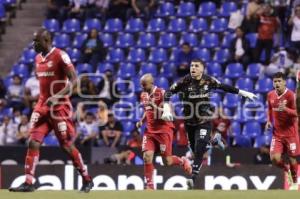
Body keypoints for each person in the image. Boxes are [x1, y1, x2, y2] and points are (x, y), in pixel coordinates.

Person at [8, 28, 93, 192]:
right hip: (42, 106)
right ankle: (29, 181)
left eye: (36, 41)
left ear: (46, 41)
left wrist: (57, 96)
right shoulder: (37, 58)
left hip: (59, 107)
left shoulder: (61, 55)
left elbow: (75, 81)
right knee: (33, 142)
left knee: (66, 146)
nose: (33, 44)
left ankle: (87, 179)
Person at [161, 59, 257, 189]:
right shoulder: (184, 81)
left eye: (196, 66)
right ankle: (214, 141)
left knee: (200, 149)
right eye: (191, 65)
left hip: (204, 121)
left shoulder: (208, 80)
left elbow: (224, 87)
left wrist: (243, 93)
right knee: (195, 152)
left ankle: (193, 178)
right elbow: (167, 93)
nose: (193, 68)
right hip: (189, 122)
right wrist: (166, 108)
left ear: (202, 69)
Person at [137, 73, 192, 190]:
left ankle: (182, 161)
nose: (142, 88)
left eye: (144, 85)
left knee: (167, 161)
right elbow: (147, 110)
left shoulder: (162, 93)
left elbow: (170, 112)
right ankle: (150, 186)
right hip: (150, 131)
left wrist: (154, 106)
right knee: (147, 156)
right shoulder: (143, 95)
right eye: (141, 85)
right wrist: (142, 120)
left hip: (164, 130)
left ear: (151, 83)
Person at [267, 72, 299, 188]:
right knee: (274, 159)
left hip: (291, 134)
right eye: (275, 81)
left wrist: (285, 109)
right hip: (278, 134)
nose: (277, 83)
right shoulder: (270, 95)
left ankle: (295, 181)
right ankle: (287, 170)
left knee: (293, 160)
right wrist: (269, 121)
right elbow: (270, 109)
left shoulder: (291, 96)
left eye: (279, 81)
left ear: (285, 82)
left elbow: (297, 114)